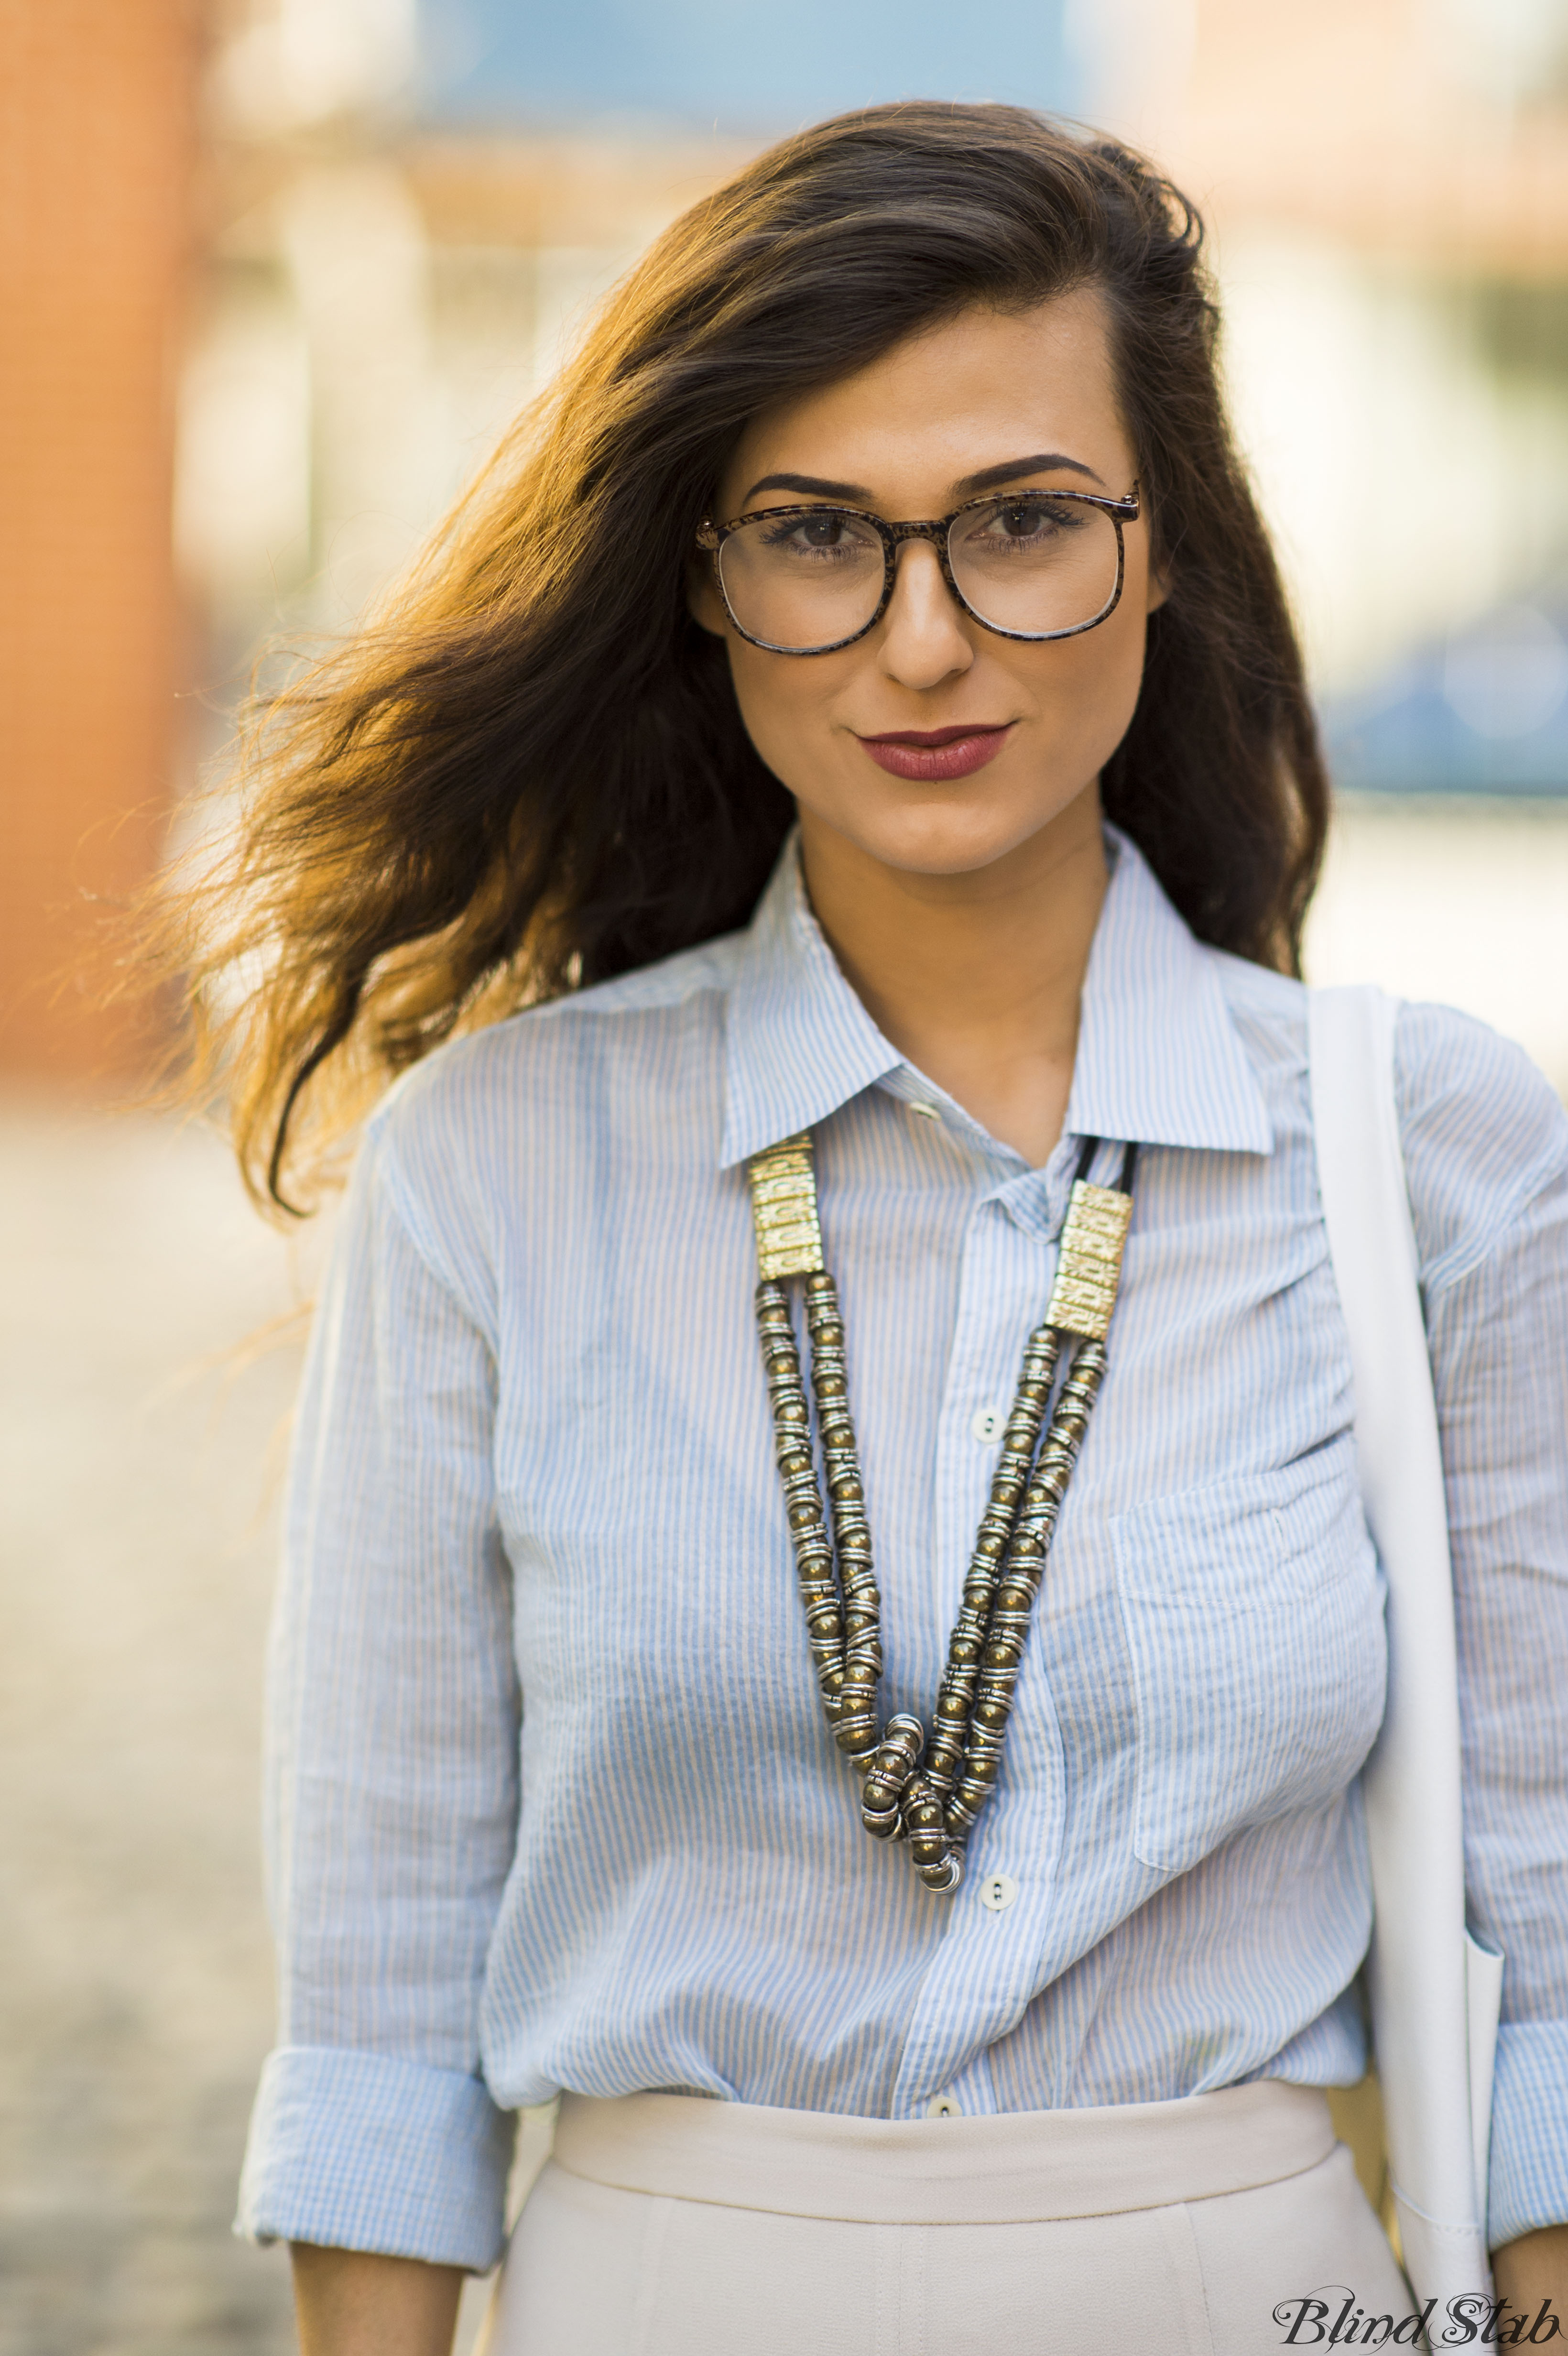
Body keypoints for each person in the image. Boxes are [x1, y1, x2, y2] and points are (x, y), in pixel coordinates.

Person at [183, 104, 1567, 2354]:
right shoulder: (493, 1165)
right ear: (704, 577)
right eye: (818, 535)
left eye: (1023, 523)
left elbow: (1554, 1964)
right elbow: (378, 2004)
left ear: (1166, 548)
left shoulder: (1431, 1145)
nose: (924, 639)